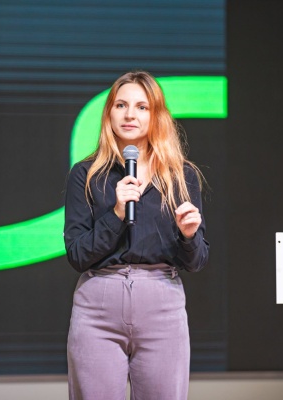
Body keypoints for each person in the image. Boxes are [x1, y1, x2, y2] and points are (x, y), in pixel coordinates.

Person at [63, 70, 209, 400]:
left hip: (161, 304)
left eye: (142, 107)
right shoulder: (85, 175)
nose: (130, 114)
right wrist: (116, 214)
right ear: (109, 113)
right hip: (98, 306)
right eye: (121, 105)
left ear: (156, 115)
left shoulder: (181, 176)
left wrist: (189, 236)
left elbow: (197, 260)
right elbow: (77, 254)